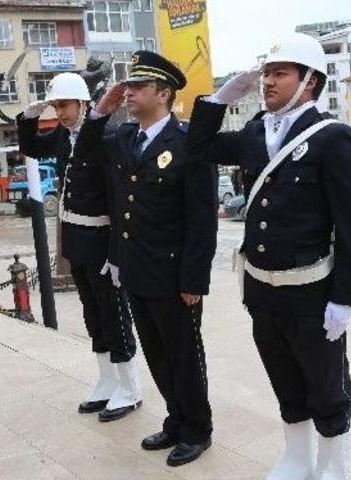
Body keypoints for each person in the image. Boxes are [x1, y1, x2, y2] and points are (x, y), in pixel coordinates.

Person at [186, 33, 351, 480]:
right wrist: (219, 98)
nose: (267, 82)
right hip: (264, 291)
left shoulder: (334, 139)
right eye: (266, 72)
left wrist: (346, 299)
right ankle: (297, 456)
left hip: (312, 292)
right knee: (285, 380)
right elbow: (199, 148)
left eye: (279, 73)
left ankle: (333, 465)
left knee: (327, 387)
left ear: (309, 81)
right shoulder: (255, 133)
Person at [74, 51, 218, 467]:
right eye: (128, 86)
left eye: (138, 86)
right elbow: (84, 153)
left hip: (175, 275)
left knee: (185, 355)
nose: (129, 92)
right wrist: (101, 110)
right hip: (135, 271)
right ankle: (175, 419)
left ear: (164, 93)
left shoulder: (188, 142)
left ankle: (198, 429)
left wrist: (194, 280)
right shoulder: (124, 138)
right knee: (156, 353)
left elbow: (201, 220)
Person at [17, 72, 142, 422]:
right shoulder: (61, 136)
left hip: (103, 239)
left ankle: (129, 388)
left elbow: (120, 200)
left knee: (114, 314)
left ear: (84, 104)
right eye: (56, 106)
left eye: (64, 105)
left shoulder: (107, 136)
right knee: (93, 315)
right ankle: (106, 381)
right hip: (77, 239)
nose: (59, 112)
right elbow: (30, 147)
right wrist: (29, 117)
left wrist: (119, 252)